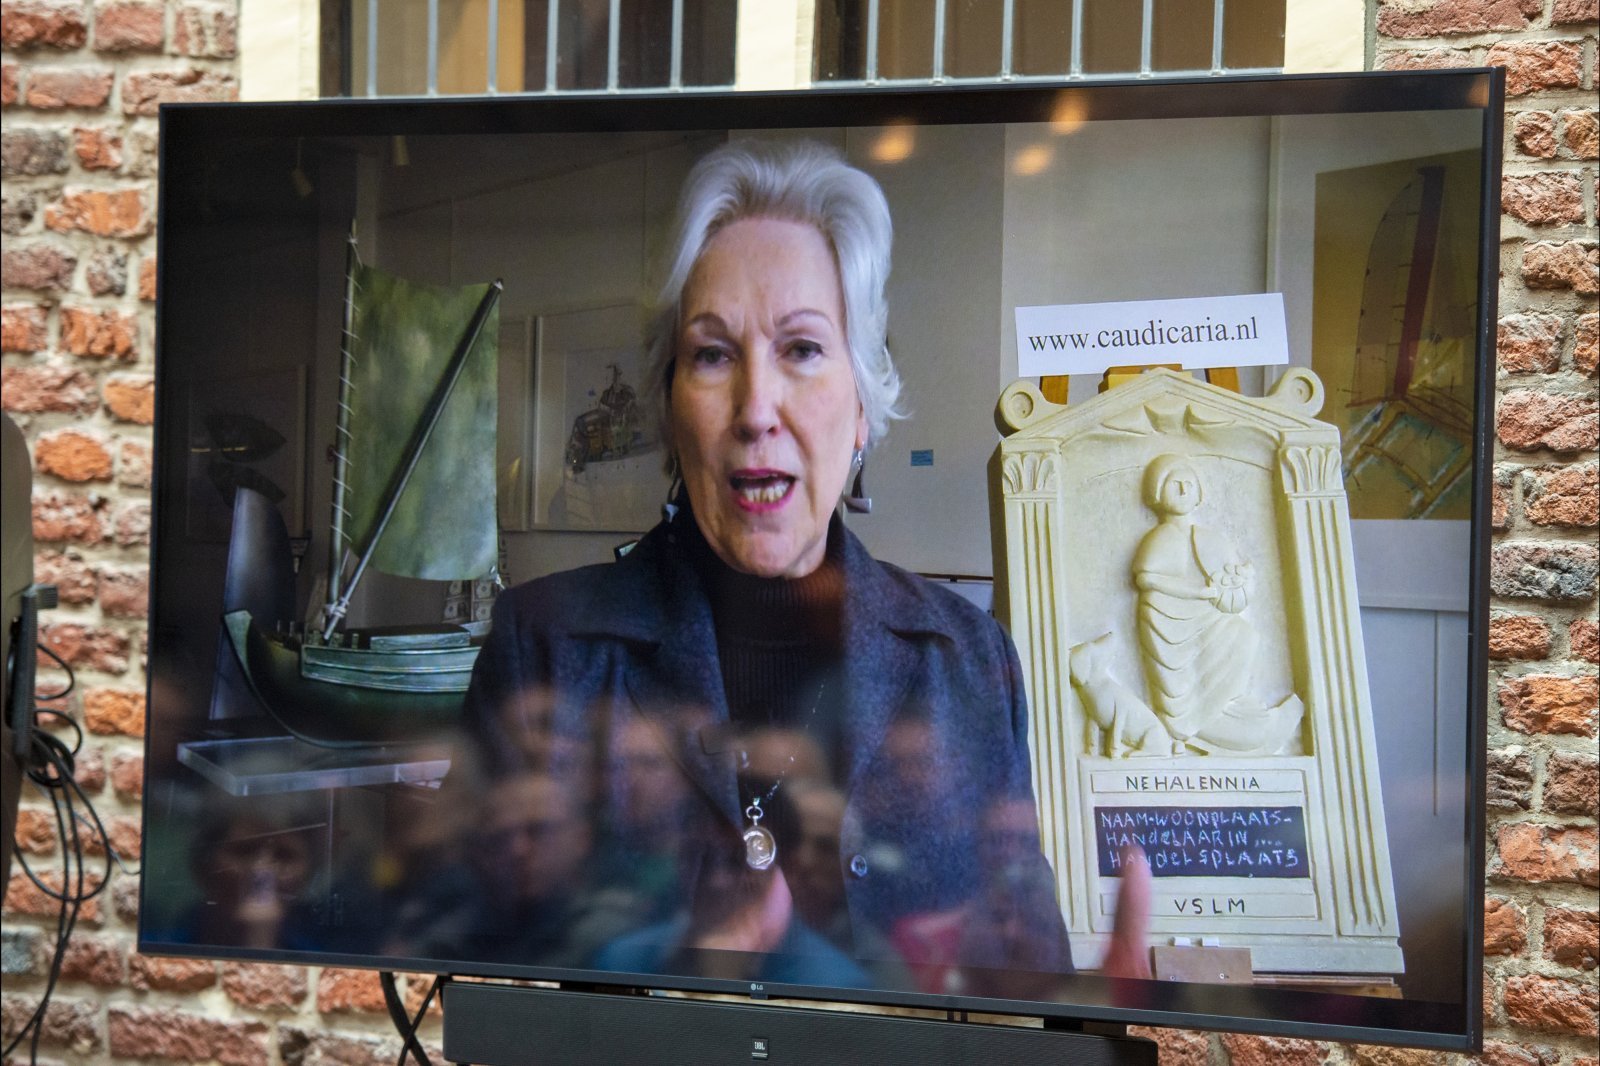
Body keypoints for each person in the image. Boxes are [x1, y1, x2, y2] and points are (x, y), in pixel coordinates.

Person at [459, 139, 1148, 989]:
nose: (756, 408)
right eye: (713, 355)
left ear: (862, 406)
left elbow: (1022, 988)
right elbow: (479, 1001)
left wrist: (1082, 1028)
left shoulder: (970, 663)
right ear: (671, 408)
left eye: (803, 349)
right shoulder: (543, 652)